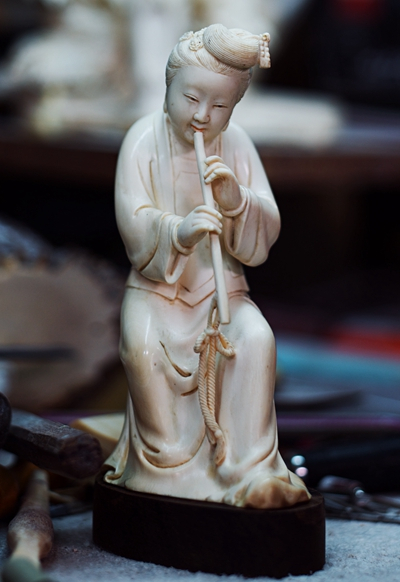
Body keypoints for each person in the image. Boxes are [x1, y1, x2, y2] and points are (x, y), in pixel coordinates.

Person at [104, 24, 310, 509]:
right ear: (169, 86)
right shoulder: (142, 140)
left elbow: (265, 228)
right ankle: (168, 469)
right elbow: (133, 219)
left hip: (222, 294)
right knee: (142, 348)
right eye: (191, 98)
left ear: (234, 106)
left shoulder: (237, 145)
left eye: (219, 106)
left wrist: (237, 202)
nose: (202, 116)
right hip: (159, 293)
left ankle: (249, 470)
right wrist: (179, 231)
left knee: (255, 339)